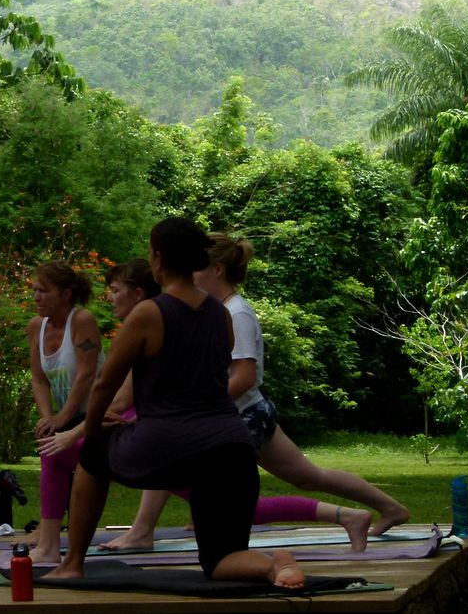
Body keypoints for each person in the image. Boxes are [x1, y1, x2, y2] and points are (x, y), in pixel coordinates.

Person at [42, 218, 305, 589]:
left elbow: (104, 382)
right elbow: (217, 363)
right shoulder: (220, 312)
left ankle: (72, 564)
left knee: (92, 456)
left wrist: (95, 423)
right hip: (232, 447)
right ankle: (272, 565)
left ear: (158, 258)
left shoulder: (150, 313)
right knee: (220, 561)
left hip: (169, 443)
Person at [47, 260, 374, 555]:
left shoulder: (214, 314)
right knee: (276, 488)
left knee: (239, 504)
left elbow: (117, 397)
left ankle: (73, 548)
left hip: (220, 424)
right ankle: (355, 513)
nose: (110, 297)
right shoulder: (199, 314)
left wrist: (74, 430)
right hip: (199, 429)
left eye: (115, 290)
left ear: (138, 293)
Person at [197, 233, 408, 535]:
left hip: (244, 416)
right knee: (309, 476)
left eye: (194, 267)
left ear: (216, 269)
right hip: (251, 410)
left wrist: (200, 402)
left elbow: (243, 377)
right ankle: (391, 508)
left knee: (195, 473)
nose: (188, 276)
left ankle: (151, 529)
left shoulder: (236, 313)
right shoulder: (221, 310)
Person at [23, 261, 102, 564]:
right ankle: (49, 543)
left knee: (194, 491)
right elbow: (39, 378)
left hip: (101, 417)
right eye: (34, 290)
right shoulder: (36, 327)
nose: (36, 296)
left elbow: (86, 374)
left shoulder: (82, 320)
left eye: (44, 290)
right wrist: (47, 417)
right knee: (51, 452)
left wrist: (61, 418)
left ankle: (48, 542)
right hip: (72, 419)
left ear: (66, 293)